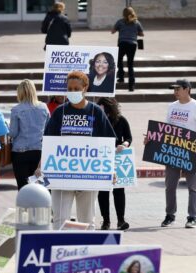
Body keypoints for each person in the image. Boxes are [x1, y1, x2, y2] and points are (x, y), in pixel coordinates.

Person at [42, 71, 116, 229]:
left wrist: (111, 168)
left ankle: (87, 252)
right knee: (60, 219)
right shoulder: (59, 112)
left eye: (76, 88)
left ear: (85, 88)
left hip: (88, 176)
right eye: (69, 88)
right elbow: (48, 142)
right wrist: (40, 165)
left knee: (87, 220)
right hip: (61, 176)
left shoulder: (96, 112)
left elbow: (107, 142)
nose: (73, 92)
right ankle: (59, 251)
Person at [156, 79, 196, 229]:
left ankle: (192, 217)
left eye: (178, 89)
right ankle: (170, 215)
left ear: (187, 89)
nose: (175, 92)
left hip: (190, 150)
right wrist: (153, 139)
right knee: (170, 185)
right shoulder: (171, 106)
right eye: (174, 89)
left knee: (193, 186)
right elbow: (166, 128)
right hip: (173, 150)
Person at [96, 97, 132, 230]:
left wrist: (125, 144)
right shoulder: (97, 121)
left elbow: (129, 137)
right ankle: (106, 221)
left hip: (117, 157)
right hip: (101, 157)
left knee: (119, 190)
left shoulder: (121, 120)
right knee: (103, 191)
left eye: (101, 108)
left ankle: (121, 220)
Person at [9, 79, 50, 190]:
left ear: (20, 92)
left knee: (23, 188)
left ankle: (25, 208)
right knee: (41, 187)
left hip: (20, 153)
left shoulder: (16, 110)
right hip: (39, 152)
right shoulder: (43, 107)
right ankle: (42, 207)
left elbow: (13, 132)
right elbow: (48, 130)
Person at [111, 6, 144, 92]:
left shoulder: (120, 22)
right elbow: (142, 34)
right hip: (132, 45)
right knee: (130, 64)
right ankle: (131, 86)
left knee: (119, 60)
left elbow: (113, 31)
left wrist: (120, 30)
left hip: (122, 43)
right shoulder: (136, 22)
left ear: (123, 14)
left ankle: (121, 77)